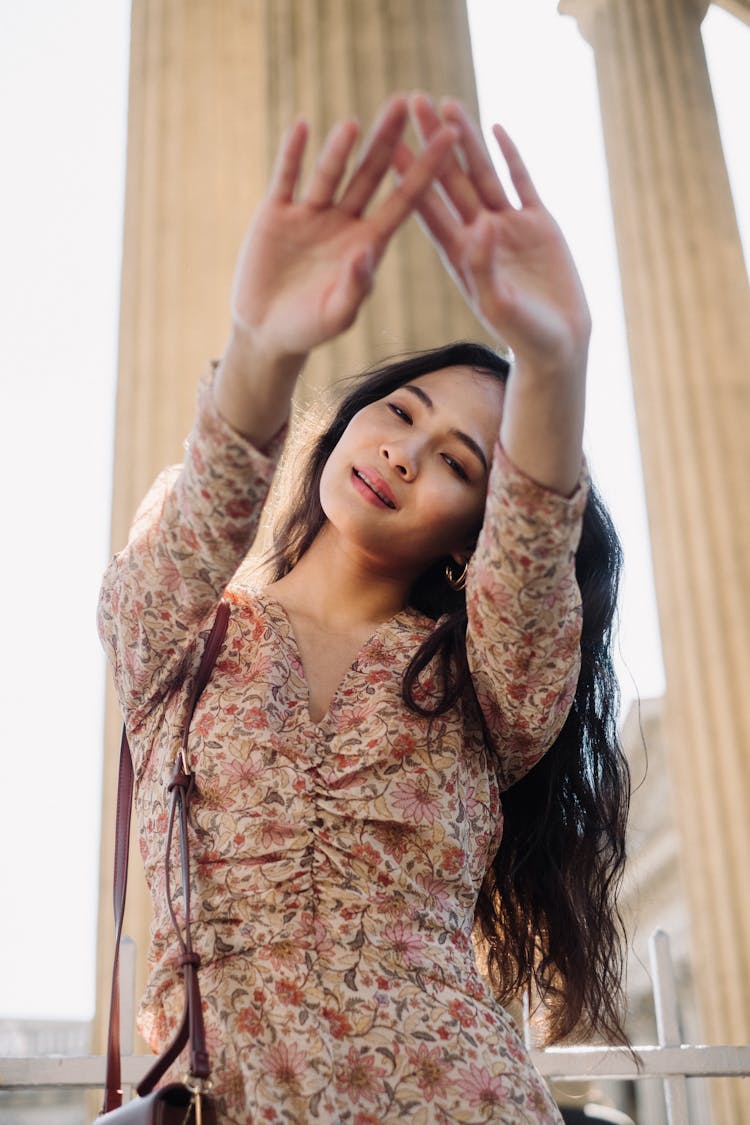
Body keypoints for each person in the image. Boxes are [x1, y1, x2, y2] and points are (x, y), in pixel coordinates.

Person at [98, 93, 630, 1124]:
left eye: (457, 464)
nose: (404, 451)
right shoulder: (181, 632)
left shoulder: (486, 682)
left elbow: (533, 556)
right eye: (399, 412)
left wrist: (556, 359)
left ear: (475, 533)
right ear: (351, 419)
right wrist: (263, 342)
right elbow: (213, 500)